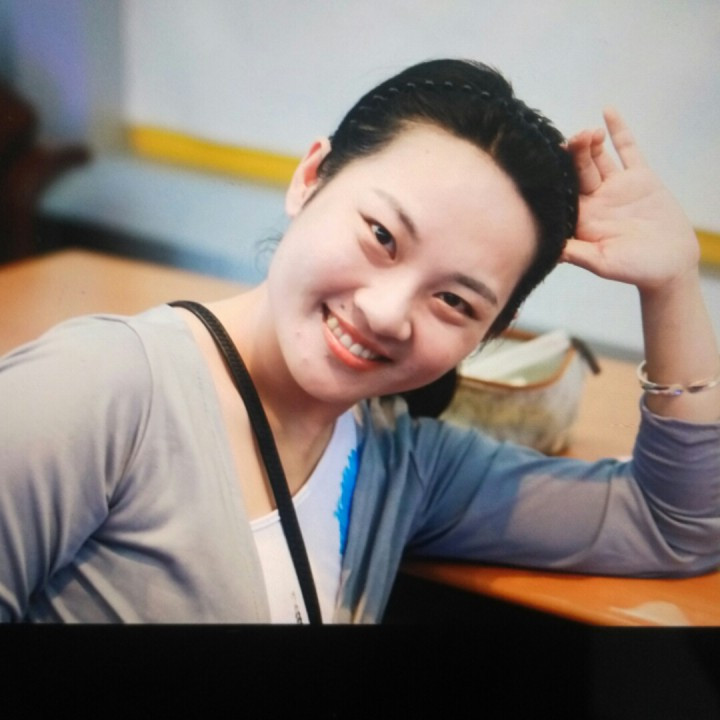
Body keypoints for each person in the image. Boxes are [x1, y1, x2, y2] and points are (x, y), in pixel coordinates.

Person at [1, 59, 718, 623]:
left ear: (488, 334)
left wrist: (672, 285)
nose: (386, 312)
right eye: (381, 235)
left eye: (454, 301)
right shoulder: (99, 391)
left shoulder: (398, 463)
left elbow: (674, 525)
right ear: (311, 177)